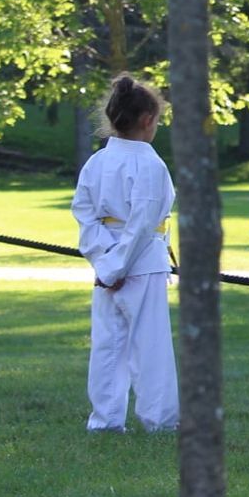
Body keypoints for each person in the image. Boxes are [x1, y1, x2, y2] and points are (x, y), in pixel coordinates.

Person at [73, 74, 178, 432]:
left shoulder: (96, 163)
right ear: (148, 120)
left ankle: (105, 419)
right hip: (141, 263)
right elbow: (141, 222)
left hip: (107, 264)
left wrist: (103, 261)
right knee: (149, 346)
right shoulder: (149, 165)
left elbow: (84, 215)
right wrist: (115, 267)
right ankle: (159, 420)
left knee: (108, 345)